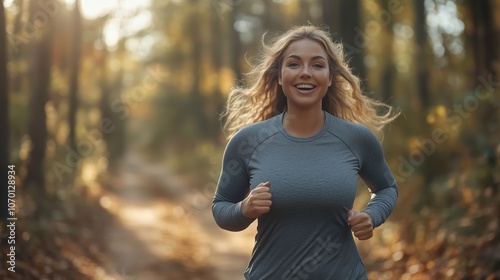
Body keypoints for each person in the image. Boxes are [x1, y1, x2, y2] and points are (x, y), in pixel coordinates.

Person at [212, 25, 399, 280]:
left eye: (317, 65)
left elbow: (387, 188)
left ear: (330, 77)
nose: (305, 73)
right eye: (294, 64)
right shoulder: (248, 141)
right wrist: (245, 208)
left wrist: (371, 215)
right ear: (279, 76)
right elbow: (220, 207)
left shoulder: (356, 139)